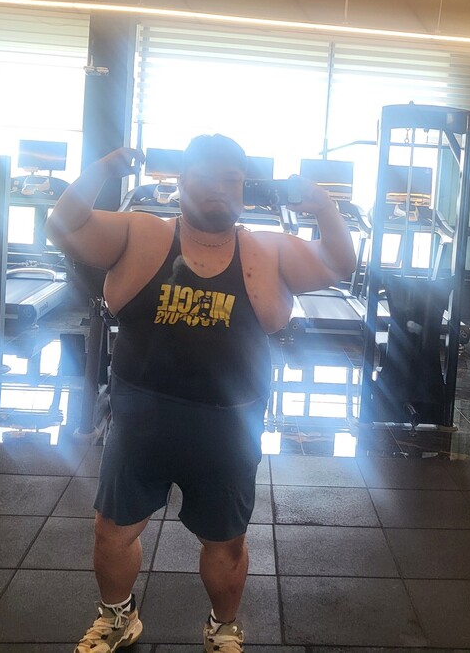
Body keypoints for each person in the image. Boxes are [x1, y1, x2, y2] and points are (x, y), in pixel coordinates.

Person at [45, 134, 356, 653]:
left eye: (231, 180)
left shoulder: (267, 249)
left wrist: (324, 206)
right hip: (142, 418)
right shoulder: (142, 233)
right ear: (183, 181)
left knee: (226, 542)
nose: (220, 190)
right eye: (207, 179)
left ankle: (223, 627)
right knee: (112, 531)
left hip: (227, 425)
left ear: (242, 186)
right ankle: (118, 618)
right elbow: (63, 225)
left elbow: (340, 264)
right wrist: (102, 168)